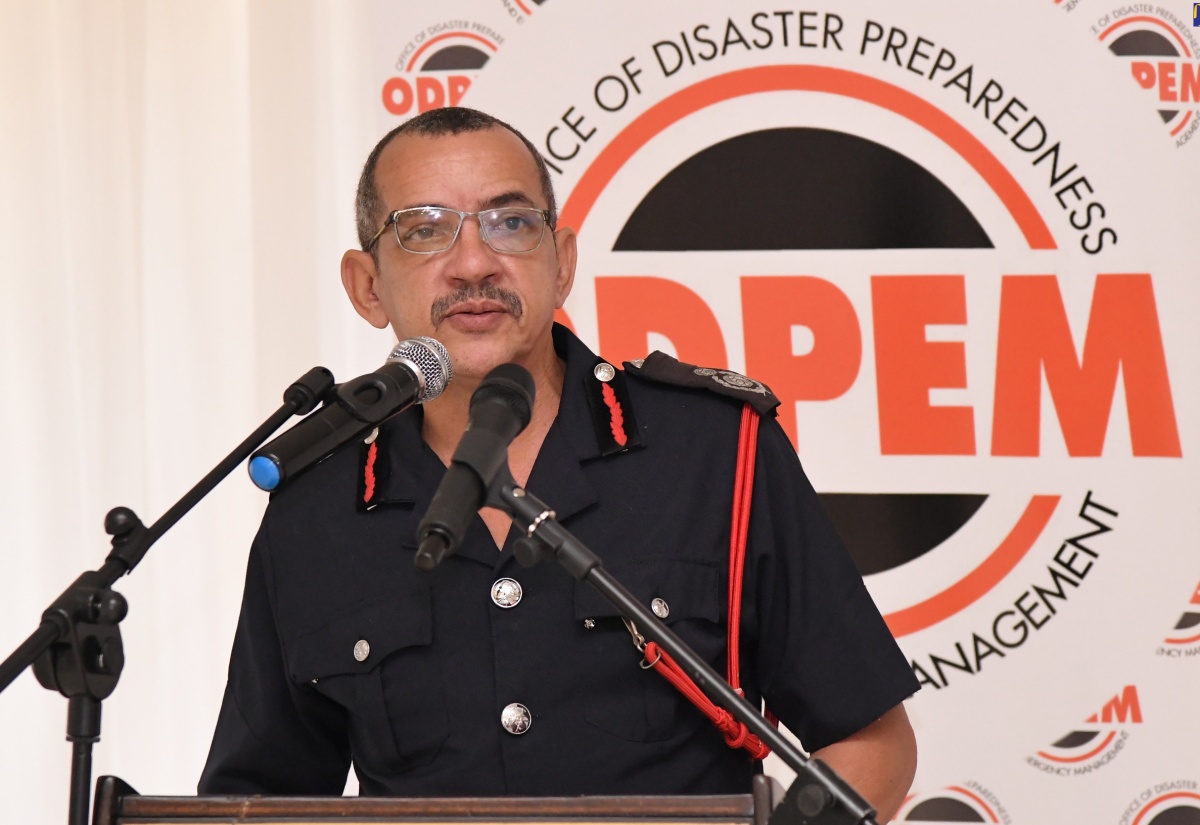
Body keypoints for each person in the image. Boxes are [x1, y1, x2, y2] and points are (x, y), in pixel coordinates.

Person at [199, 107, 919, 819]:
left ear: (562, 261)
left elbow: (870, 741)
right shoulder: (315, 511)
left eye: (511, 223)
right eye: (424, 230)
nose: (475, 262)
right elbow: (259, 799)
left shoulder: (717, 454)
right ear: (367, 286)